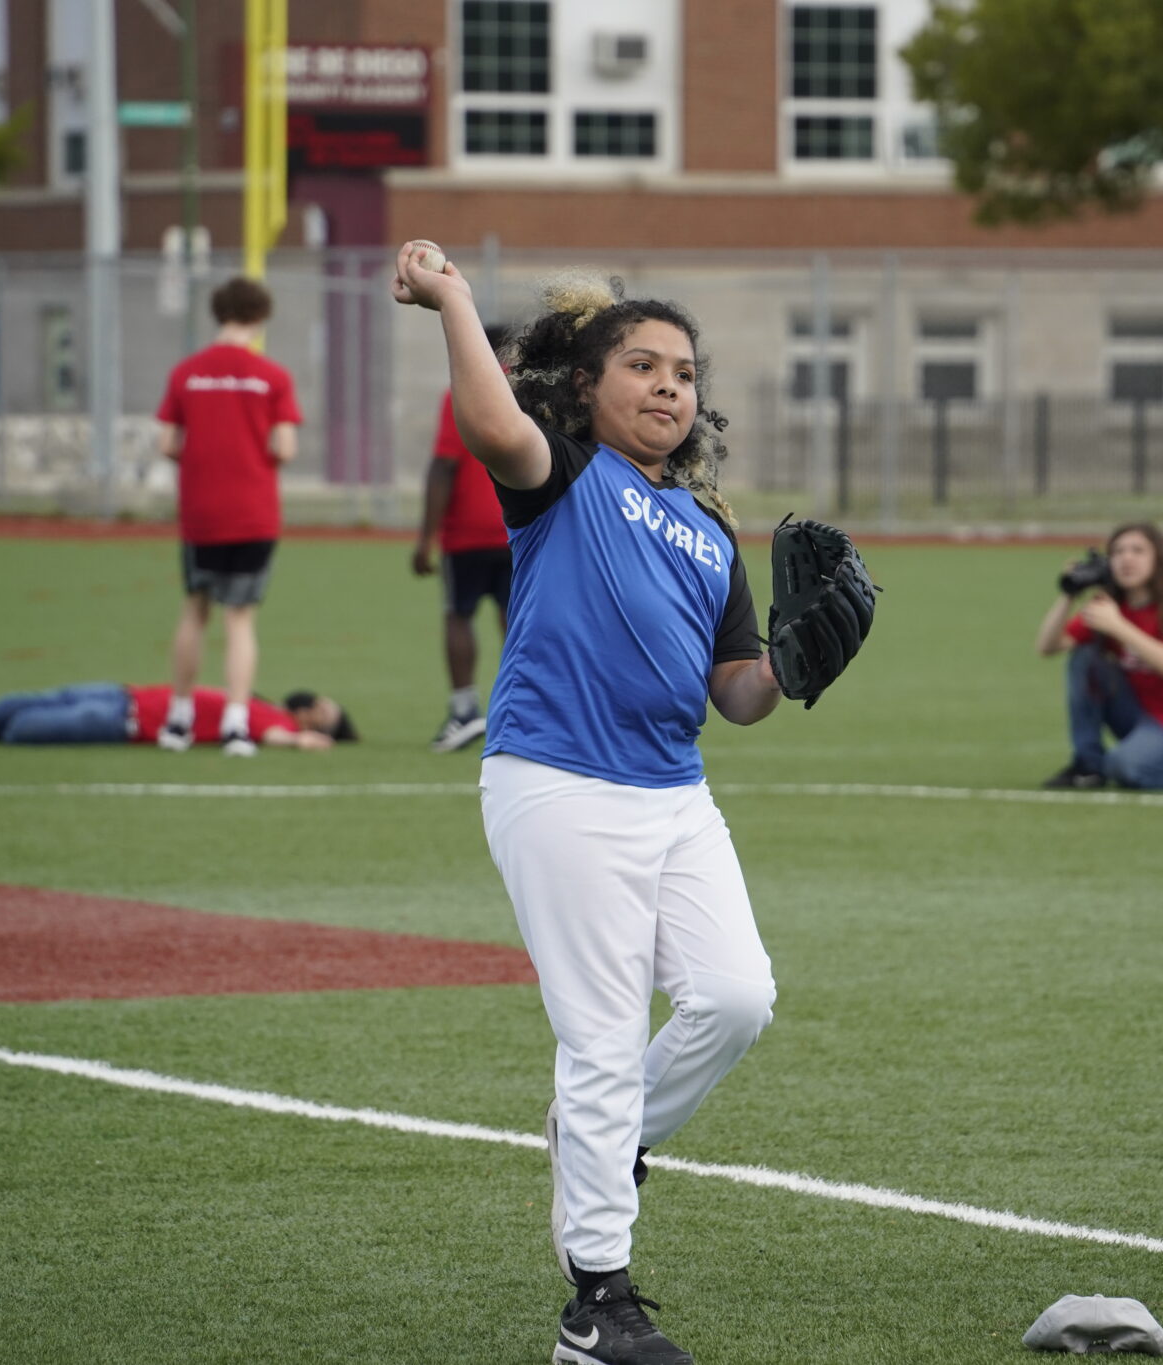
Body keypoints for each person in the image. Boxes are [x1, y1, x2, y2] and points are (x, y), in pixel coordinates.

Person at [393, 245, 784, 1365]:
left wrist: (795, 665)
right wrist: (455, 303)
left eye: (684, 372)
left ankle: (595, 1145)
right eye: (642, 365)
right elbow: (485, 425)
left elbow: (739, 697)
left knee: (735, 997)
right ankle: (595, 1311)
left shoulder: (709, 530)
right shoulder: (560, 476)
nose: (669, 386)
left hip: (673, 794)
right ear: (584, 388)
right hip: (558, 783)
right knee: (603, 1038)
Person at [154, 277, 302, 758]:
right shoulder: (272, 376)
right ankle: (236, 726)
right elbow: (284, 446)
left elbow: (167, 443)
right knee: (240, 621)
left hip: (202, 513)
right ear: (260, 318)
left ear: (219, 314)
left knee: (194, 612)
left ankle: (178, 721)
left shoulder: (186, 373)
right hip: (253, 513)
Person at [1035, 522, 1163, 791]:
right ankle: (1087, 766)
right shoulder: (1110, 608)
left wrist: (1118, 626)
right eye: (1118, 552)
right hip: (1138, 717)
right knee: (1085, 657)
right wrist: (1068, 595)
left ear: (1158, 560)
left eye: (1138, 551)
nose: (1126, 558)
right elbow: (1047, 646)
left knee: (1123, 767)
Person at [411, 325, 513, 753]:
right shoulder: (529, 398)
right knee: (521, 621)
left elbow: (443, 467)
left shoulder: (461, 394)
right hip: (519, 532)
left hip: (467, 533)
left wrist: (426, 538)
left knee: (459, 616)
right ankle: (521, 711)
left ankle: (464, 711)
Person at [0, 684, 353, 749]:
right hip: (123, 693)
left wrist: (300, 742)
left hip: (122, 724)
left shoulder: (282, 725)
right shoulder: (260, 699)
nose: (316, 706)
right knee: (15, 705)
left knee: (20, 728)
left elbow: (272, 737)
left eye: (325, 714)